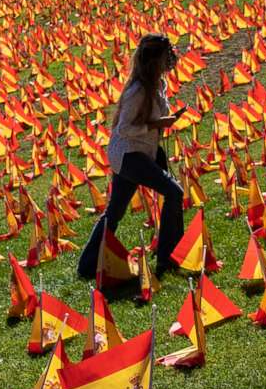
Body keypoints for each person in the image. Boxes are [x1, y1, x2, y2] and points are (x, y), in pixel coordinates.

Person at [77, 34, 186, 282]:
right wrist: (157, 123)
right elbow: (124, 128)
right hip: (127, 153)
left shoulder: (158, 84)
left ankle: (86, 266)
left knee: (114, 212)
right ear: (153, 60)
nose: (170, 61)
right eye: (164, 57)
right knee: (174, 192)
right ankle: (169, 257)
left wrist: (163, 121)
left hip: (140, 151)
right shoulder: (137, 90)